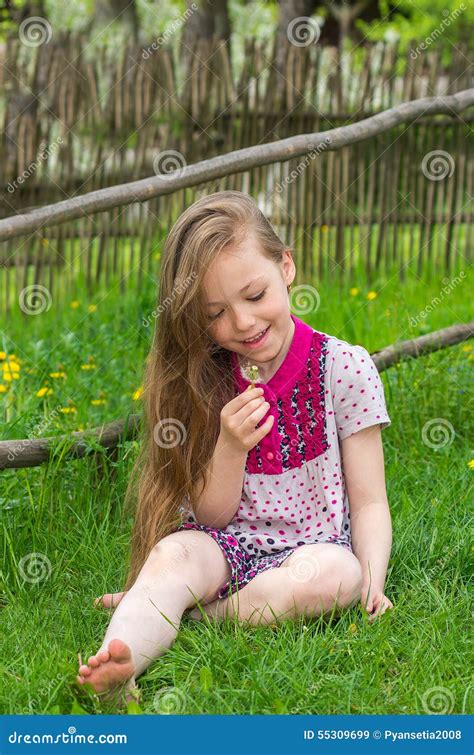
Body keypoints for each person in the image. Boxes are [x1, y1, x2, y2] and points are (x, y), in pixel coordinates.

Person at [77, 190, 394, 702]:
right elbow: (212, 515)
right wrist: (229, 445)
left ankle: (196, 614)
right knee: (173, 554)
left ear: (285, 266)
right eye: (216, 313)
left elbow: (371, 501)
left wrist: (373, 579)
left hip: (310, 553)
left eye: (254, 295)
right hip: (226, 546)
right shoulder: (207, 379)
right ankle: (121, 663)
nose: (243, 323)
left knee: (340, 574)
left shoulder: (344, 369)